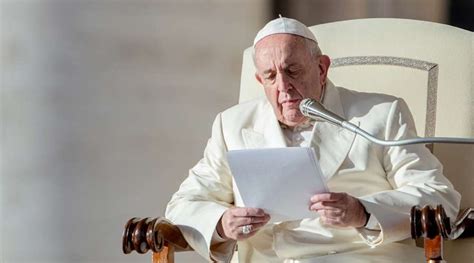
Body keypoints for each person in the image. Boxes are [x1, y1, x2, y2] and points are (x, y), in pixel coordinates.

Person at [165, 17, 460, 262]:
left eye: (292, 70)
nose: (284, 87)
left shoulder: (379, 115)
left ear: (321, 69)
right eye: (270, 76)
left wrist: (363, 212)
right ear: (260, 81)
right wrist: (222, 223)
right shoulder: (231, 125)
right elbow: (183, 204)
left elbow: (440, 198)